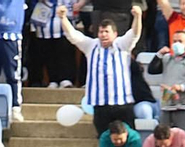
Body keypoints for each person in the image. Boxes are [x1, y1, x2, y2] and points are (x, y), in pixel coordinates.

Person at [60, 4, 145, 137]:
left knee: (129, 138)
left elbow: (134, 34)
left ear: (115, 34)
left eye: (107, 32)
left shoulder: (122, 45)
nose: (103, 35)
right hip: (100, 105)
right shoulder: (91, 46)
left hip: (122, 103)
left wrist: (138, 17)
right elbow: (73, 36)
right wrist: (63, 18)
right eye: (101, 32)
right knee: (104, 139)